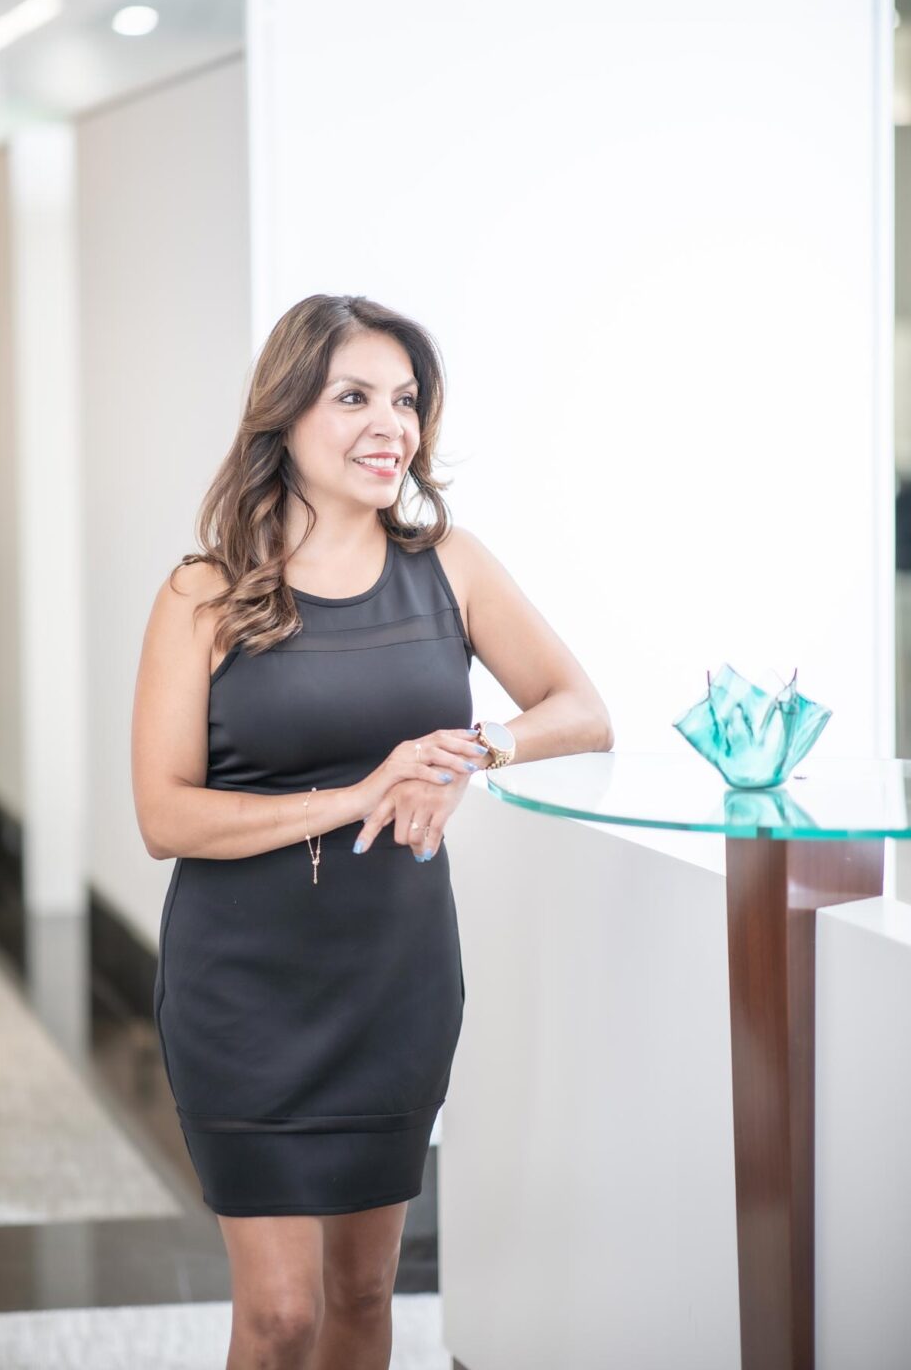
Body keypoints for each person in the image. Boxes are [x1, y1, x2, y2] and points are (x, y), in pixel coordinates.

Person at [131, 292, 613, 1370]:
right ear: (285, 415)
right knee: (280, 1316)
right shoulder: (203, 594)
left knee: (361, 1295)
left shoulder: (449, 567)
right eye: (353, 396)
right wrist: (363, 793)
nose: (388, 423)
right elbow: (163, 816)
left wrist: (470, 755)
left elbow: (580, 709)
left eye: (405, 399)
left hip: (392, 980)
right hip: (241, 993)